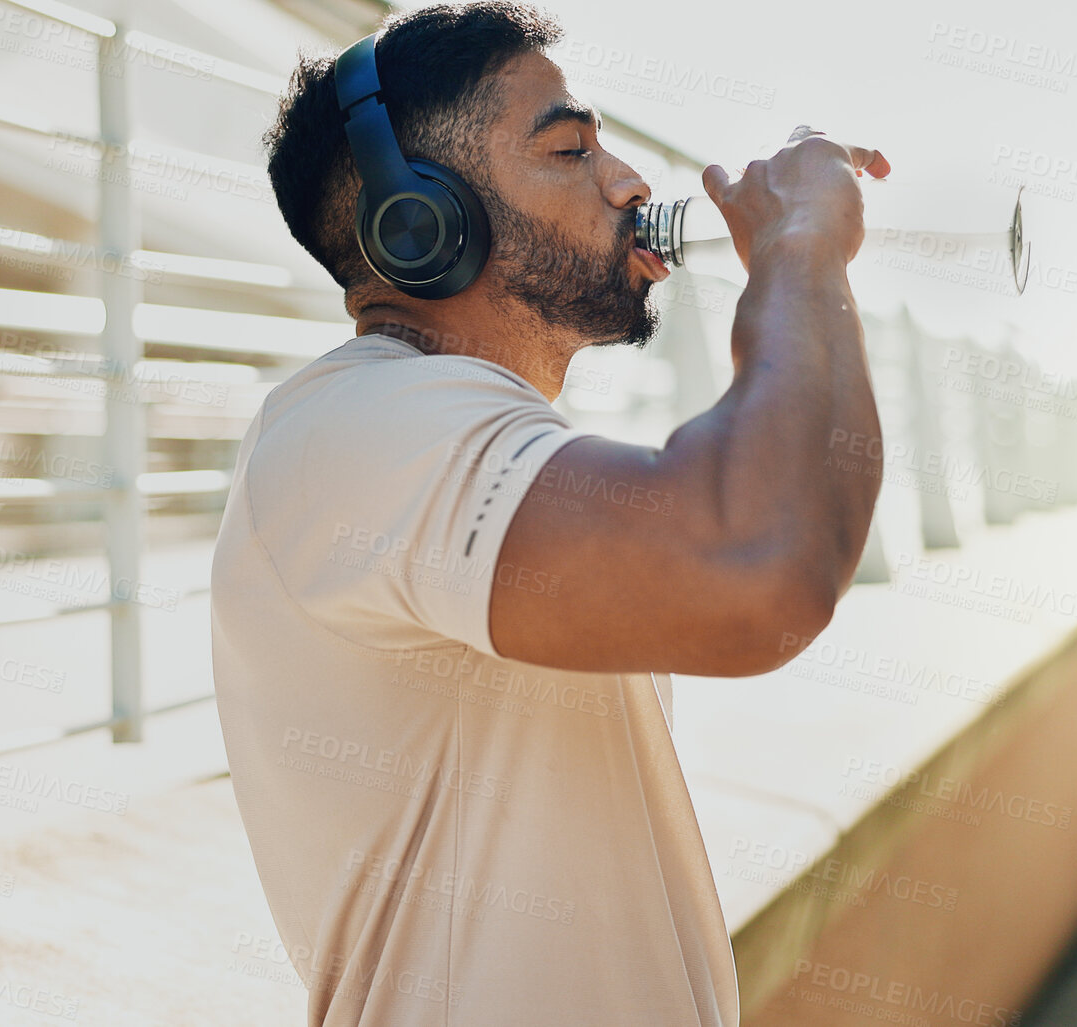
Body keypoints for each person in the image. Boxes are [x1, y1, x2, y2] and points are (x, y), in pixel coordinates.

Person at [210, 3, 886, 1024]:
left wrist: (814, 269)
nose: (629, 182)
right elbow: (760, 564)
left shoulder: (450, 434)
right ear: (419, 217)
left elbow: (790, 522)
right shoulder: (362, 427)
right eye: (571, 150)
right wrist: (797, 253)